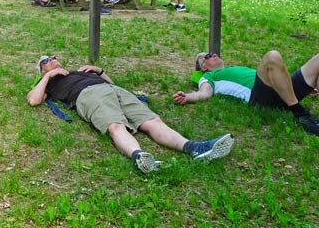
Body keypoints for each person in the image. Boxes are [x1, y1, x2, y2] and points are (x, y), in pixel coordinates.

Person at [28, 55, 235, 173]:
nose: (53, 60)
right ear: (41, 70)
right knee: (115, 125)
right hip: (88, 95)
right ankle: (139, 157)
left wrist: (98, 71)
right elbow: (33, 100)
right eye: (46, 60)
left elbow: (112, 83)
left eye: (54, 58)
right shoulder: (49, 82)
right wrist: (48, 76)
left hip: (114, 90)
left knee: (152, 121)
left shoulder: (76, 72)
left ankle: (194, 148)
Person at [173, 51, 319, 136]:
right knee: (272, 57)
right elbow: (204, 93)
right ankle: (299, 112)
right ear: (203, 67)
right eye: (208, 56)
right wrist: (188, 97)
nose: (214, 55)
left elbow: (275, 75)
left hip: (278, 91)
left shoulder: (234, 69)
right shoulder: (210, 77)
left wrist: (292, 87)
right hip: (259, 97)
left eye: (214, 53)